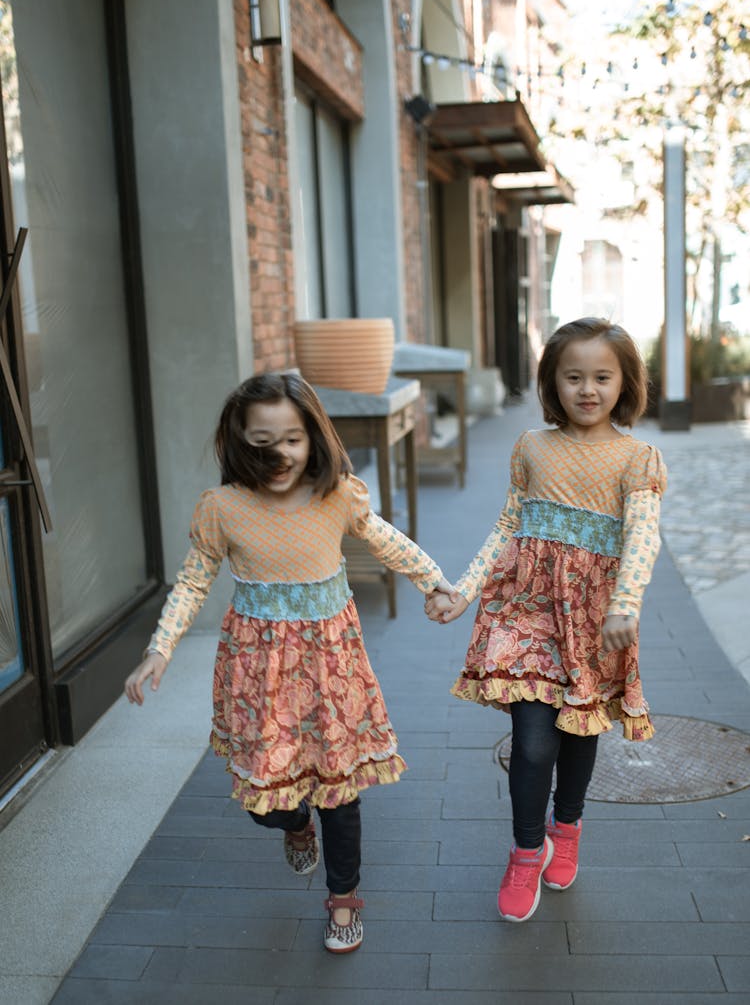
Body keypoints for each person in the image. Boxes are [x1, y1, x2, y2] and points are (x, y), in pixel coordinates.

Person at [124, 371, 453, 954]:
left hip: (332, 667)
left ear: (314, 437)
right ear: (238, 441)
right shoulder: (223, 508)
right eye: (262, 441)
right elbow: (194, 581)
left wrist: (435, 583)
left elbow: (387, 541)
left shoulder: (338, 497)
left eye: (293, 439)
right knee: (267, 802)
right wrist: (160, 648)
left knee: (341, 793)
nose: (280, 454)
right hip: (259, 675)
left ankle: (344, 897)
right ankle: (294, 824)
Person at [425, 317, 666, 923]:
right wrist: (464, 588)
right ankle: (527, 851)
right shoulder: (531, 447)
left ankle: (569, 826)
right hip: (525, 610)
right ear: (552, 383)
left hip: (592, 619)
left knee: (580, 731)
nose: (588, 389)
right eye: (574, 376)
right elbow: (509, 526)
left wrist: (624, 604)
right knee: (533, 745)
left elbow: (642, 537)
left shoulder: (637, 459)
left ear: (624, 382)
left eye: (602, 377)